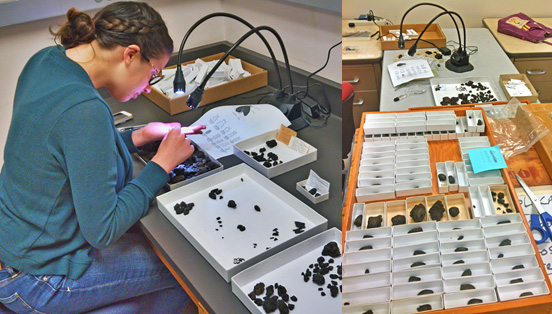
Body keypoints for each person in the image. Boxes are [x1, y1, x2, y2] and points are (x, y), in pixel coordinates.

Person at [0, 2, 195, 313]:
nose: (148, 88)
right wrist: (161, 165)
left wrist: (139, 136)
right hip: (37, 276)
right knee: (184, 273)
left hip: (15, 245)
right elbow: (102, 229)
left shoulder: (45, 61)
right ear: (130, 55)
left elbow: (65, 148)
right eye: (154, 73)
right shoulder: (85, 109)